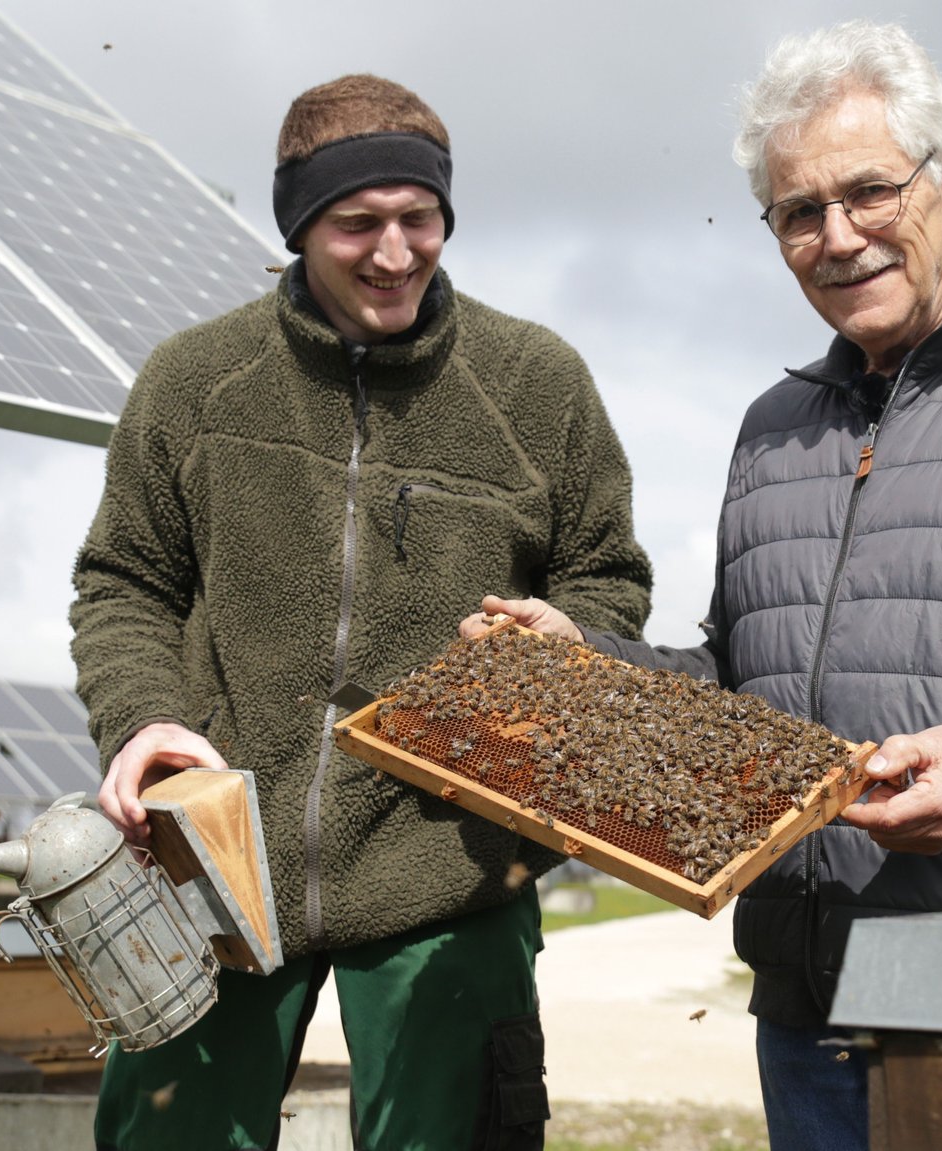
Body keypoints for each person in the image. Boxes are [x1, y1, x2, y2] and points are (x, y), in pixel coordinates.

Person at [466, 22, 942, 1149]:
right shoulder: (773, 429)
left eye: (869, 192)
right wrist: (584, 666)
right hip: (808, 1014)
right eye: (798, 211)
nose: (837, 236)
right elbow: (745, 686)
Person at [71, 74, 651, 1151]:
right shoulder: (196, 381)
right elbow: (124, 580)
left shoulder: (537, 383)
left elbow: (606, 576)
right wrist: (141, 715)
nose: (393, 252)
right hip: (214, 851)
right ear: (299, 225)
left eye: (417, 218)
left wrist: (568, 635)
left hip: (453, 859)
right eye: (357, 224)